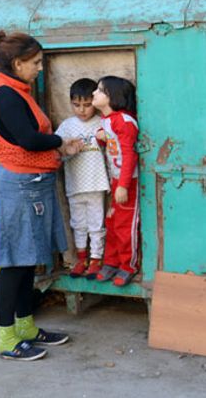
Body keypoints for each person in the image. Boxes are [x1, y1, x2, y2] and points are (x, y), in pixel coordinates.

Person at [0, 30, 81, 361]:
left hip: (34, 182)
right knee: (13, 263)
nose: (40, 68)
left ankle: (26, 327)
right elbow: (27, 139)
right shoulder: (4, 95)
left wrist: (57, 145)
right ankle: (7, 338)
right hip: (17, 187)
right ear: (18, 63)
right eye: (36, 62)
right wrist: (59, 141)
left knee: (27, 262)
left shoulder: (19, 91)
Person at [55, 78, 110, 279]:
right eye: (77, 105)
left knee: (96, 223)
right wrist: (67, 150)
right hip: (74, 183)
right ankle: (81, 258)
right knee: (78, 222)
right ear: (70, 103)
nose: (82, 110)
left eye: (87, 105)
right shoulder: (67, 126)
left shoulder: (102, 123)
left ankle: (96, 259)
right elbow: (56, 150)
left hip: (96, 182)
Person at [91, 76, 140, 287]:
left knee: (125, 225)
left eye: (100, 90)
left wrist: (123, 185)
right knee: (111, 222)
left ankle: (128, 265)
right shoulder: (109, 120)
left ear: (113, 97)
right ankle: (111, 261)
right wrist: (100, 134)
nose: (94, 93)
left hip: (128, 182)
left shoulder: (125, 121)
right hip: (115, 180)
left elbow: (130, 156)